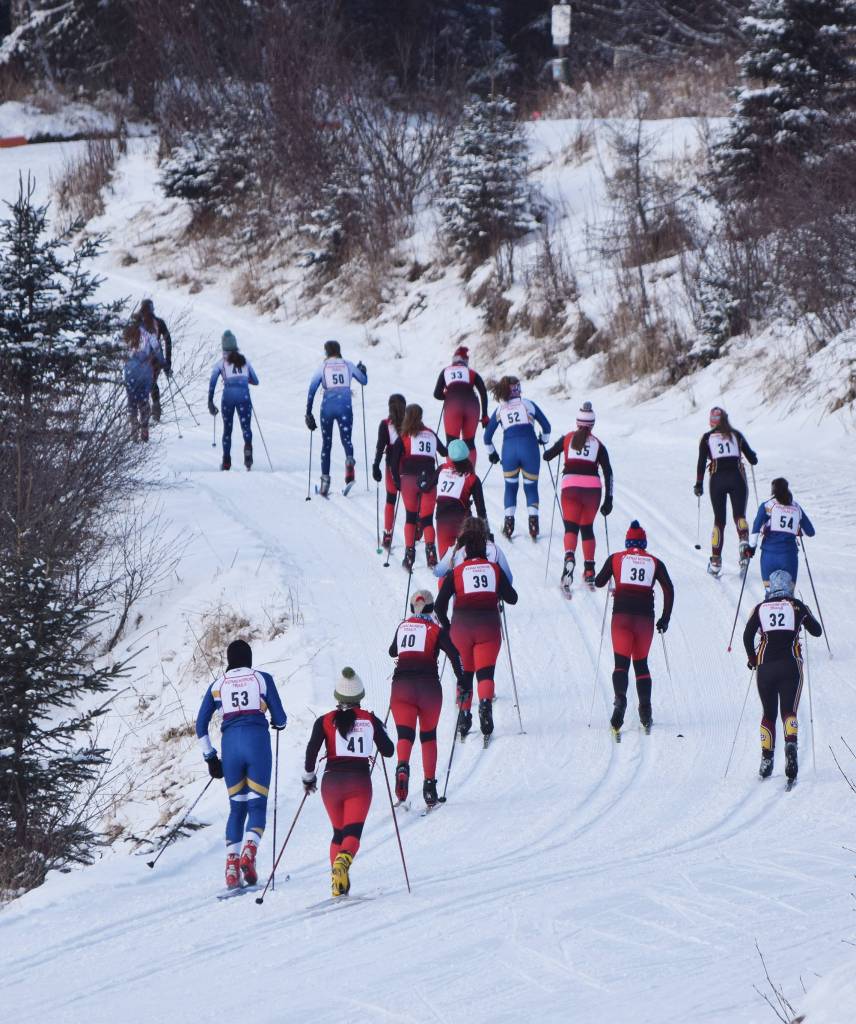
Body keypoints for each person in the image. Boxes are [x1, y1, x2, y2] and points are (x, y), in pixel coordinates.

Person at [196, 639, 287, 889]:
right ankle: (249, 851)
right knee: (257, 806)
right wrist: (276, 723)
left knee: (237, 809)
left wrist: (210, 758)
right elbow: (280, 718)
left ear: (228, 660)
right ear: (249, 659)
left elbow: (200, 726)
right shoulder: (262, 679)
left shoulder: (217, 685)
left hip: (230, 747)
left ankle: (232, 868)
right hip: (257, 743)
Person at [302, 668, 394, 897]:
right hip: (359, 783)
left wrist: (308, 778)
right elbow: (389, 751)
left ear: (337, 696)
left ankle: (338, 885)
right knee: (353, 833)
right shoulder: (370, 720)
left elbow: (311, 751)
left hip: (330, 784)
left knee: (338, 833)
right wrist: (379, 729)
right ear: (359, 696)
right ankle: (343, 863)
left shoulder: (323, 721)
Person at [435, 525, 518, 742]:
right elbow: (513, 598)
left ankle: (464, 714)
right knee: (485, 673)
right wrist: (496, 590)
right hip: (489, 627)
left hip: (461, 627)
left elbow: (439, 606)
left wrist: (446, 627)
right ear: (484, 548)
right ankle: (484, 705)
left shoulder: (457, 573)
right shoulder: (493, 569)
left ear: (465, 551)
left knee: (465, 674)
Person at [594, 521, 674, 738]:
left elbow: (599, 581)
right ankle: (645, 711)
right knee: (641, 665)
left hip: (621, 617)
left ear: (628, 542)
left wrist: (612, 577)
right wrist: (665, 618)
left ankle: (620, 700)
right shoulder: (655, 562)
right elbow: (669, 588)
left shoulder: (617, 558)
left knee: (621, 665)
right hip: (645, 619)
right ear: (644, 543)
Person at [742, 569, 822, 783]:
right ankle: (791, 744)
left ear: (770, 589)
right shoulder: (797, 606)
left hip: (765, 666)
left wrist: (752, 658)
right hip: (791, 665)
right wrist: (805, 612)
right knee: (789, 711)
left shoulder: (760, 608)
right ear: (790, 587)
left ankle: (766, 760)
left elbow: (747, 635)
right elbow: (817, 631)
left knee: (768, 714)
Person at [388, 590, 464, 808]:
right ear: (432, 609)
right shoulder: (435, 630)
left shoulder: (402, 627)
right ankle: (429, 787)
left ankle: (402, 767)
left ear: (413, 608)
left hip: (401, 687)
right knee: (428, 736)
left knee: (405, 733)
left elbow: (392, 651)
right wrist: (463, 680)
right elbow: (454, 655)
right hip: (429, 687)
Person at [543, 401, 613, 593]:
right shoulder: (599, 445)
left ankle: (569, 558)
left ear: (577, 422)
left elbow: (547, 456)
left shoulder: (567, 439)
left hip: (570, 487)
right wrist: (609, 499)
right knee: (587, 529)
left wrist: (544, 445)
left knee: (571, 528)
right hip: (593, 490)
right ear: (592, 424)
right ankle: (589, 571)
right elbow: (608, 472)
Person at [484, 376, 551, 540]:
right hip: (530, 449)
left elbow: (487, 437)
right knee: (531, 487)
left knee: (510, 487)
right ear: (518, 389)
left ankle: (508, 524)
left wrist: (492, 453)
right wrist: (543, 440)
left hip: (509, 452)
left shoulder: (500, 409)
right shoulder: (528, 404)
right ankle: (533, 523)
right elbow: (547, 427)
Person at [694, 406, 758, 576]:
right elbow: (752, 458)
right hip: (737, 478)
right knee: (740, 516)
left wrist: (698, 484)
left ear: (711, 422)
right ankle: (743, 546)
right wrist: (753, 456)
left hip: (717, 480)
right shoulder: (736, 435)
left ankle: (715, 562)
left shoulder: (707, 438)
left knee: (719, 521)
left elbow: (701, 462)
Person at [388, 403, 447, 570]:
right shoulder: (430, 434)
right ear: (421, 416)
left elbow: (394, 462)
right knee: (427, 519)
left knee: (411, 518)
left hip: (408, 481)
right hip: (428, 480)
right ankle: (431, 553)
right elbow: (444, 452)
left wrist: (397, 481)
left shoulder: (404, 436)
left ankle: (409, 554)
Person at [305, 340, 368, 496]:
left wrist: (308, 412)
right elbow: (364, 381)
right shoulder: (348, 364)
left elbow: (312, 389)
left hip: (327, 408)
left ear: (326, 352)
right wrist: (363, 370)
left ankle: (325, 483)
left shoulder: (323, 367)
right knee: (346, 440)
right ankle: (349, 471)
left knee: (327, 444)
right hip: (345, 408)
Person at [746, 477, 815, 589]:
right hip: (789, 557)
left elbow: (756, 528)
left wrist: (751, 548)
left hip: (769, 556)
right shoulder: (796, 507)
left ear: (773, 491)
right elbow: (811, 532)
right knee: (789, 597)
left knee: (769, 594)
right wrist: (796, 530)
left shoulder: (766, 506)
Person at [208, 330, 259, 471]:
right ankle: (248, 452)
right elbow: (255, 381)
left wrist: (210, 402)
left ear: (223, 347)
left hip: (228, 397)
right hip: (244, 396)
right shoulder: (245, 361)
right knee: (246, 427)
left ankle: (226, 461)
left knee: (227, 429)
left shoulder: (220, 364)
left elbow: (212, 383)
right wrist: (243, 380)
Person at [433, 346, 489, 467]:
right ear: (466, 361)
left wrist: (447, 395)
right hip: (472, 405)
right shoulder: (472, 373)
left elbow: (436, 394)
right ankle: (471, 474)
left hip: (453, 405)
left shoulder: (446, 371)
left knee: (452, 442)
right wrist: (485, 415)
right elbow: (483, 393)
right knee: (469, 442)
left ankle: (452, 472)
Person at [435, 439, 488, 559]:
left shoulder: (442, 469)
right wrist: (486, 533)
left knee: (445, 564)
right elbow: (481, 511)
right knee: (465, 561)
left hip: (443, 520)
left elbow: (426, 486)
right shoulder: (473, 478)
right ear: (467, 454)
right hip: (463, 521)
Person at [434, 516, 514, 585]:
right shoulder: (495, 548)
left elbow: (438, 572)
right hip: (490, 598)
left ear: (463, 531)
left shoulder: (455, 550)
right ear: (484, 531)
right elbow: (509, 578)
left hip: (463, 600)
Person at [371, 393, 406, 549]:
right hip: (408, 468)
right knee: (412, 502)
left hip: (392, 467)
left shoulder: (385, 424)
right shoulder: (410, 423)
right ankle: (417, 530)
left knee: (391, 500)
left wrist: (375, 465)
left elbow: (380, 447)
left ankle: (387, 534)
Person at [123, 322, 165, 443]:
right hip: (145, 371)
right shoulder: (149, 335)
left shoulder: (127, 334)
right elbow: (157, 348)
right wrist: (161, 361)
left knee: (131, 398)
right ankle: (144, 426)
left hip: (130, 370)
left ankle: (134, 425)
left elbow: (118, 349)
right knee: (144, 399)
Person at [132, 299, 172, 423]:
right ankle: (155, 407)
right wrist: (167, 361)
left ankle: (145, 411)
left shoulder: (138, 322)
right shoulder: (159, 322)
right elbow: (168, 340)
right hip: (156, 359)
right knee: (152, 382)